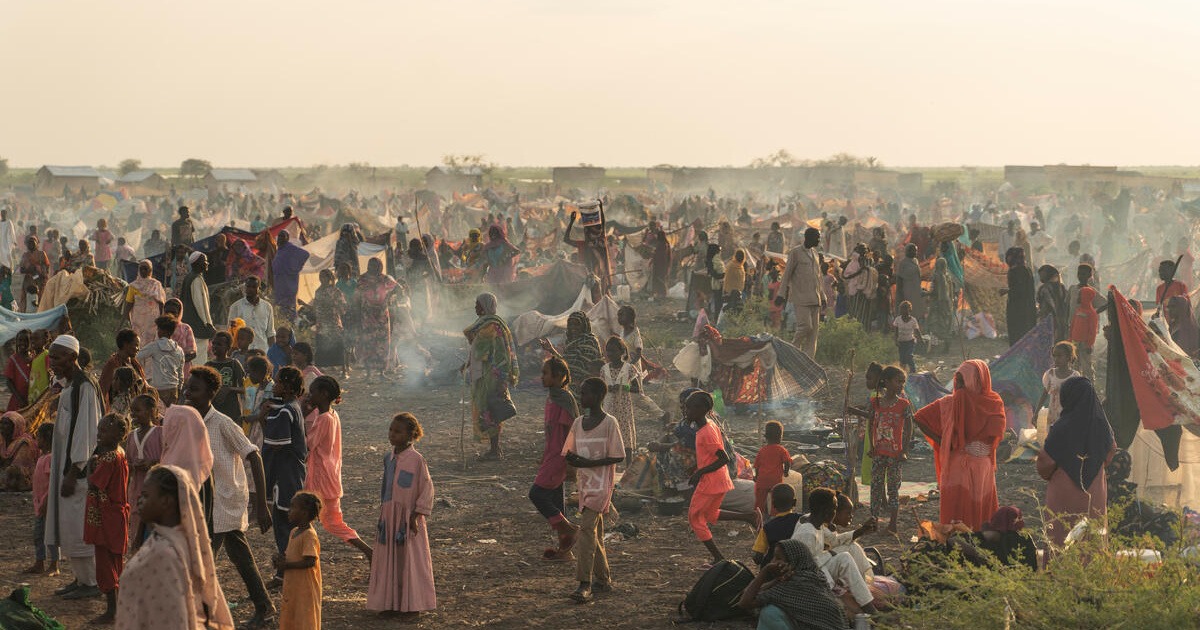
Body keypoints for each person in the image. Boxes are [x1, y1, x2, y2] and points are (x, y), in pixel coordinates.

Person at [114, 465, 235, 629]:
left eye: (146, 495)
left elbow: (171, 618)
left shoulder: (164, 554)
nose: (138, 500)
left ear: (166, 501)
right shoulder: (170, 540)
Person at [913, 359, 1006, 530]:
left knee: (978, 518)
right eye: (959, 381)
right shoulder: (953, 402)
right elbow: (919, 417)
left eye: (964, 381)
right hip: (961, 467)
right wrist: (941, 440)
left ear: (978, 380)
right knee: (958, 517)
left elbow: (920, 418)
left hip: (980, 468)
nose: (960, 386)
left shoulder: (993, 403)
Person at [45, 334, 103, 600]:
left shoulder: (85, 387)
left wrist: (73, 471)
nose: (52, 363)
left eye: (57, 357)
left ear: (72, 357)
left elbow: (86, 433)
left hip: (77, 473)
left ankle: (91, 582)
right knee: (69, 526)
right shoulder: (70, 385)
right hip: (66, 469)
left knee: (79, 527)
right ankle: (80, 579)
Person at [367, 412, 437, 619]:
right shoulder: (388, 458)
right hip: (389, 516)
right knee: (390, 560)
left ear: (411, 435)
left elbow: (426, 488)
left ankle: (412, 606)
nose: (392, 435)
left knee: (409, 561)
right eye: (391, 430)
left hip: (408, 519)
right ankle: (391, 603)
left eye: (398, 431)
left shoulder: (416, 460)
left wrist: (415, 516)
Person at [562, 377, 624, 603]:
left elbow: (619, 455)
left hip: (601, 485)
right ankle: (603, 579)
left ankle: (584, 583)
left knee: (586, 530)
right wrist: (574, 462)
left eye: (586, 393)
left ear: (598, 396)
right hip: (585, 484)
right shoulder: (579, 423)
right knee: (593, 532)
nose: (582, 397)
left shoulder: (610, 423)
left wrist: (587, 463)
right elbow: (569, 451)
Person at [1037, 377, 1116, 553]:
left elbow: (1045, 462)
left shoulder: (1061, 427)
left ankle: (1060, 575)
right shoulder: (1103, 426)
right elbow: (1111, 451)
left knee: (1060, 534)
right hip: (1094, 488)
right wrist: (1095, 465)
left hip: (1063, 488)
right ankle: (1092, 577)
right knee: (1092, 536)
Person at [304, 375, 373, 559]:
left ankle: (368, 552)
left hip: (321, 478)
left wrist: (302, 414)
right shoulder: (332, 415)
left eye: (313, 393)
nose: (310, 396)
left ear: (324, 394)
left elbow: (307, 445)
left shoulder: (324, 419)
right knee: (332, 522)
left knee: (314, 519)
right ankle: (369, 552)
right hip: (329, 476)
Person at [254, 365, 307, 583]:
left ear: (286, 387)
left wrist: (262, 421)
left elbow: (275, 444)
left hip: (286, 474)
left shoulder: (285, 411)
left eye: (277, 382)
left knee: (285, 522)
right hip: (289, 472)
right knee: (284, 521)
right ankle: (285, 569)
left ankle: (286, 570)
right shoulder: (292, 407)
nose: (273, 385)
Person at [791, 488, 879, 616]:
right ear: (827, 512)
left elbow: (834, 541)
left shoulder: (817, 524)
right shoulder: (807, 532)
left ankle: (868, 604)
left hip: (818, 570)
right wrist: (829, 555)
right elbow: (807, 565)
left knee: (845, 558)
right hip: (806, 579)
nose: (835, 512)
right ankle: (860, 605)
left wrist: (861, 531)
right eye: (834, 509)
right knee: (840, 560)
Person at [529, 357, 580, 561]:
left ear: (559, 377)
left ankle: (569, 528)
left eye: (545, 374)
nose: (542, 377)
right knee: (556, 500)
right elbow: (551, 432)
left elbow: (571, 432)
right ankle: (565, 551)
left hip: (560, 456)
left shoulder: (564, 400)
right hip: (552, 454)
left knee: (537, 494)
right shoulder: (552, 397)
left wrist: (569, 462)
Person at [737, 538, 848, 630]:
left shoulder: (794, 585)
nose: (772, 562)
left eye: (778, 558)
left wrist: (765, 571)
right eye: (773, 557)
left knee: (769, 612)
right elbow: (749, 594)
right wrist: (776, 580)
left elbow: (744, 602)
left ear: (792, 563)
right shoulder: (814, 576)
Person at [84, 413, 130, 624]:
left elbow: (94, 483)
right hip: (116, 514)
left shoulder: (110, 457)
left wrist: (92, 465)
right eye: (99, 430)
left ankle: (112, 611)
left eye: (104, 431)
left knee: (105, 564)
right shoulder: (119, 453)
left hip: (106, 516)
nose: (99, 435)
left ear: (119, 433)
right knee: (115, 561)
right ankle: (118, 608)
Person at [687, 390, 741, 563]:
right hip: (719, 480)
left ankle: (718, 557)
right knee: (710, 514)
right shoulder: (708, 425)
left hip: (710, 481)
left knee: (695, 518)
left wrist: (700, 472)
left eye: (690, 408)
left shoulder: (707, 432)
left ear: (702, 409)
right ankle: (749, 516)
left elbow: (723, 458)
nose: (686, 411)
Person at [464, 293, 519, 460]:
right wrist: (466, 364)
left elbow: (500, 353)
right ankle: (494, 449)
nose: (475, 307)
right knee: (487, 409)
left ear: (485, 306)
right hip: (484, 373)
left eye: (478, 304)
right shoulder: (485, 324)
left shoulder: (492, 326)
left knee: (491, 408)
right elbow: (476, 349)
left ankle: (495, 450)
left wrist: (502, 378)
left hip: (492, 375)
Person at [868, 366, 913, 533]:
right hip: (879, 453)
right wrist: (872, 447)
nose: (901, 385)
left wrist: (904, 450)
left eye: (903, 382)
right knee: (876, 489)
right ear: (886, 382)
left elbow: (909, 428)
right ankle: (874, 522)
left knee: (893, 489)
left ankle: (892, 525)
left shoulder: (903, 405)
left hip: (895, 454)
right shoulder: (875, 402)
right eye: (898, 381)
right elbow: (871, 423)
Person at [274, 491, 323, 630]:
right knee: (293, 615)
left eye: (293, 507)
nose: (289, 511)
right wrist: (279, 559)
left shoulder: (309, 535)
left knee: (304, 618)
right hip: (294, 586)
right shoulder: (294, 532)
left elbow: (310, 561)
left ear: (304, 513)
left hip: (305, 588)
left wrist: (286, 565)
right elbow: (290, 554)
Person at [777, 227, 826, 358]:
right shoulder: (795, 253)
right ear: (808, 237)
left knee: (813, 336)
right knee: (805, 327)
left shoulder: (815, 254)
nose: (819, 240)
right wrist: (781, 294)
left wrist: (823, 296)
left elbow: (819, 277)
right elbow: (787, 274)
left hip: (815, 299)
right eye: (817, 237)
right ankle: (791, 351)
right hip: (801, 298)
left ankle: (808, 362)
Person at [124, 394, 161, 541]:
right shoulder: (131, 436)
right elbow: (127, 462)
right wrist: (132, 466)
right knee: (136, 521)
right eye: (132, 411)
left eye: (137, 410)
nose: (133, 414)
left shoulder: (160, 433)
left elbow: (168, 459)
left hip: (156, 489)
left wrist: (153, 463)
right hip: (136, 488)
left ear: (151, 411)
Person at [25, 424, 60, 575]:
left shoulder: (51, 458)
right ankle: (39, 562)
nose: (36, 440)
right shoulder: (42, 457)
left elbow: (53, 482)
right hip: (39, 504)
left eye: (38, 437)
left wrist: (47, 501)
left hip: (47, 503)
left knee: (51, 535)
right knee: (38, 534)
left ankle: (54, 564)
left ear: (46, 440)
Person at [356, 258, 399, 380]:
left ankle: (381, 373)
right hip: (368, 316)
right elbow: (358, 296)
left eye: (376, 265)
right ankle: (369, 374)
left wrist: (389, 298)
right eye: (371, 265)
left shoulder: (385, 279)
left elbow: (396, 287)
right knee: (369, 343)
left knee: (383, 343)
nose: (374, 267)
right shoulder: (363, 279)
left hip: (381, 317)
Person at [540, 311, 603, 391]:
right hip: (570, 386)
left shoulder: (590, 341)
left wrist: (581, 381)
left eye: (577, 324)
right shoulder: (569, 343)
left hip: (586, 388)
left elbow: (591, 368)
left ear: (584, 325)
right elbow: (566, 365)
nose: (573, 327)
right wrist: (551, 350)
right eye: (571, 324)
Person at [600, 336, 641, 456]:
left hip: (623, 407)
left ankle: (628, 465)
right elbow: (601, 388)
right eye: (608, 350)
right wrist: (608, 388)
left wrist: (623, 388)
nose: (609, 353)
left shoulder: (629, 368)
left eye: (613, 351)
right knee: (609, 434)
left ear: (622, 352)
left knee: (625, 435)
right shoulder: (604, 369)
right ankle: (610, 463)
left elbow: (637, 389)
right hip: (608, 406)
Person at [751, 483, 802, 567]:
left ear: (773, 504)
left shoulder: (767, 527)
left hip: (773, 570)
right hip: (796, 567)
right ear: (794, 502)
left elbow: (757, 559)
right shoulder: (802, 520)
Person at [137, 316, 185, 406]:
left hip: (158, 389)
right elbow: (180, 373)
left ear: (161, 331)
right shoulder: (179, 350)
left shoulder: (154, 346)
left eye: (159, 329)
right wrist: (179, 388)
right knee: (169, 416)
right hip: (173, 389)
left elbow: (138, 356)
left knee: (157, 414)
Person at [1067, 263, 1103, 381]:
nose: (1080, 276)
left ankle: (1090, 385)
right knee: (1074, 362)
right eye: (1079, 273)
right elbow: (1067, 304)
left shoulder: (1091, 292)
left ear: (1089, 275)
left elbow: (1105, 303)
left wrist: (1093, 313)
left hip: (1085, 336)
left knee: (1086, 362)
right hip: (1075, 333)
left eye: (1083, 273)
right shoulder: (1073, 289)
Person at [1036, 341, 1081, 435]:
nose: (1056, 359)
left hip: (1067, 415)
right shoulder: (1050, 374)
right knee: (1051, 438)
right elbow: (1044, 394)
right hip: (1052, 415)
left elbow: (1077, 399)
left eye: (1059, 356)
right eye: (1054, 356)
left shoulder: (1075, 376)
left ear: (1069, 357)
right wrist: (1036, 412)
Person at [310, 269, 349, 376]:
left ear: (329, 278)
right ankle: (319, 371)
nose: (321, 279)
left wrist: (333, 305)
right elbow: (316, 306)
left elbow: (343, 306)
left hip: (333, 322)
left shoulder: (335, 291)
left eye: (324, 276)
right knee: (321, 345)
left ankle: (344, 370)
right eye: (320, 276)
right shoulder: (318, 291)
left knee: (338, 345)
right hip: (322, 323)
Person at [180, 252, 215, 364]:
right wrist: (208, 324)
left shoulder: (189, 277)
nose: (207, 264)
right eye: (205, 261)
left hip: (190, 324)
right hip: (198, 325)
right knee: (199, 358)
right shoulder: (196, 279)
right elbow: (200, 305)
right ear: (198, 263)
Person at [227, 276, 275, 354]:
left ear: (259, 288)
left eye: (254, 287)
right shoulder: (236, 307)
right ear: (245, 287)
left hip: (262, 351)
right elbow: (231, 332)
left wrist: (273, 353)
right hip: (242, 353)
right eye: (248, 286)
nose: (250, 289)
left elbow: (270, 333)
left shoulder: (267, 307)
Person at [98, 328, 144, 408]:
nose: (138, 349)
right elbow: (102, 391)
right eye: (136, 345)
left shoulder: (135, 364)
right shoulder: (112, 364)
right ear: (125, 344)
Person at [206, 331, 246, 422]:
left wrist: (229, 389)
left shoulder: (234, 364)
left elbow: (245, 388)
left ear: (228, 347)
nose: (215, 346)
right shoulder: (208, 365)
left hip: (231, 411)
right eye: (213, 343)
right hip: (213, 410)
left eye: (219, 344)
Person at [753, 421, 791, 516]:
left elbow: (757, 466)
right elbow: (787, 462)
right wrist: (786, 472)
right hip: (776, 480)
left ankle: (758, 516)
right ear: (780, 437)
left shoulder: (762, 450)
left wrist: (756, 477)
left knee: (760, 500)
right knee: (776, 499)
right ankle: (774, 516)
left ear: (766, 437)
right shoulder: (782, 450)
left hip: (762, 480)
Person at [272, 230, 310, 322]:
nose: (280, 238)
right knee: (279, 304)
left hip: (288, 282)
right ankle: (282, 321)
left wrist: (294, 268)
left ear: (287, 238)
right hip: (279, 282)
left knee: (289, 305)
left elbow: (305, 254)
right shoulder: (280, 249)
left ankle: (292, 323)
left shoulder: (290, 248)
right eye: (279, 236)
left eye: (283, 236)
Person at [125, 260, 165, 346]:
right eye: (141, 269)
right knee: (138, 343)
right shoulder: (133, 286)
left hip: (153, 321)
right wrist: (126, 321)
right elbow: (129, 304)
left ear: (150, 271)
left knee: (152, 342)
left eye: (145, 269)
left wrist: (161, 319)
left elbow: (161, 303)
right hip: (138, 321)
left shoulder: (156, 285)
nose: (143, 271)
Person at [1004, 247, 1037, 346]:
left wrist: (1007, 290)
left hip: (1017, 309)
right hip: (1028, 307)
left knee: (1017, 335)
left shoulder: (1016, 271)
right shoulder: (1027, 269)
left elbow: (1020, 290)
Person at [0, 411, 37, 490]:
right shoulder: (2, 440)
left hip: (20, 478)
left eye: (6, 424)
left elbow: (18, 467)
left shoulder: (24, 442)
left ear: (16, 426)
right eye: (1, 423)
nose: (2, 426)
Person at [164, 298, 199, 379]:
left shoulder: (186, 328)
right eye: (167, 312)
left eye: (173, 312)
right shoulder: (160, 329)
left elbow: (193, 353)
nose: (170, 315)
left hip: (183, 371)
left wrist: (178, 362)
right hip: (164, 370)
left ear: (179, 313)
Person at [1037, 265, 1069, 342]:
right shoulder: (1062, 287)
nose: (1040, 278)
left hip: (1048, 318)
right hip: (1061, 319)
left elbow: (1040, 300)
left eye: (1042, 275)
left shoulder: (1044, 288)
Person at [3, 329, 34, 412]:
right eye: (20, 340)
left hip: (34, 398)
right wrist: (19, 399)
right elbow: (9, 382)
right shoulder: (13, 359)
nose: (22, 343)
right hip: (18, 401)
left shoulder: (35, 358)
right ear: (16, 342)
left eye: (26, 340)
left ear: (31, 342)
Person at [17, 235, 49, 312]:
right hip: (28, 280)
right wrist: (27, 270)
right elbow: (21, 269)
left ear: (36, 243)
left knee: (40, 299)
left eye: (32, 242)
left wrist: (36, 269)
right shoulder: (25, 255)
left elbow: (46, 267)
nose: (30, 244)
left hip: (39, 279)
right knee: (26, 299)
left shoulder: (42, 254)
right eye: (29, 243)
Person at [892, 300, 922, 374]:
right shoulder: (897, 320)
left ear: (910, 310)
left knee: (909, 356)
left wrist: (921, 340)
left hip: (910, 341)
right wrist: (896, 340)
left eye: (906, 309)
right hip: (901, 342)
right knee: (902, 360)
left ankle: (913, 371)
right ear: (900, 310)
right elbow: (895, 332)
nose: (904, 311)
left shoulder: (913, 320)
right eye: (903, 309)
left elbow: (917, 331)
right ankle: (902, 374)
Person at [896, 243, 925, 318]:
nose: (915, 252)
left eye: (916, 251)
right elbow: (899, 279)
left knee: (917, 310)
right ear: (907, 251)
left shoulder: (915, 261)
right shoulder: (903, 263)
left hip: (916, 290)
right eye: (913, 251)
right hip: (907, 290)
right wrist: (900, 293)